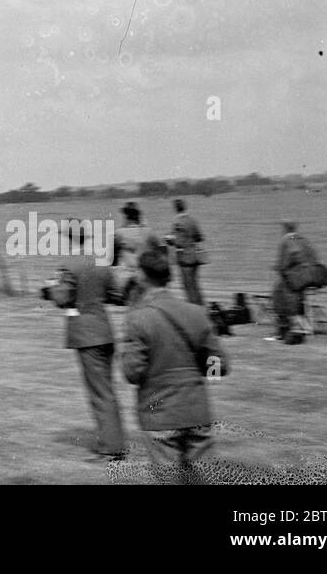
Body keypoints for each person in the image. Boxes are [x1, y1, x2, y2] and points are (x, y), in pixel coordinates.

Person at [120, 246, 230, 477]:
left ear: (141, 276)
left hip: (157, 409)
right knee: (204, 477)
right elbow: (220, 365)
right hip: (195, 407)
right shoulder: (197, 313)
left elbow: (132, 373)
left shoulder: (137, 318)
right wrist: (196, 378)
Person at [54, 240, 127, 461]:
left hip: (87, 336)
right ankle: (112, 441)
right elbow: (117, 296)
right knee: (107, 390)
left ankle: (111, 447)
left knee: (99, 393)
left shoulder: (69, 266)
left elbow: (62, 298)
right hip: (105, 331)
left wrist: (52, 287)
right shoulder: (102, 263)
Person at [270, 221, 321, 344]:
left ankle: (283, 331)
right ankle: (299, 328)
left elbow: (283, 263)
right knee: (297, 302)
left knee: (278, 297)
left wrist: (279, 269)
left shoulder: (286, 240)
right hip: (307, 278)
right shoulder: (303, 240)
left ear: (285, 229)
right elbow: (313, 257)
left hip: (292, 278)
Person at [111, 202, 157, 305]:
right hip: (146, 275)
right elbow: (157, 250)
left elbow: (112, 259)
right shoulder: (148, 232)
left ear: (126, 217)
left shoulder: (119, 233)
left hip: (127, 277)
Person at [166, 199, 206, 306]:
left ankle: (194, 308)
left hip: (185, 257)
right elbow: (199, 237)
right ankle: (201, 307)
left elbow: (178, 241)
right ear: (185, 207)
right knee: (195, 284)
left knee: (188, 286)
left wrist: (169, 239)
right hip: (195, 255)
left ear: (175, 208)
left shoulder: (177, 223)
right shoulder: (192, 220)